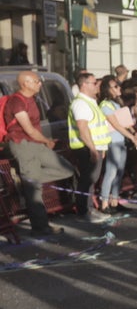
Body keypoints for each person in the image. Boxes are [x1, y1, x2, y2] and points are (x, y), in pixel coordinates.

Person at [2, 70, 76, 236]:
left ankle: (26, 180)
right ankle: (41, 227)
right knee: (34, 191)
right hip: (24, 145)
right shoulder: (17, 101)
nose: (40, 84)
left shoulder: (31, 99)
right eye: (36, 81)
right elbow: (28, 128)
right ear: (25, 83)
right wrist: (46, 141)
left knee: (66, 169)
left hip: (35, 144)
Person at [69, 71, 113, 224]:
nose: (97, 86)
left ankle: (89, 209)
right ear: (84, 85)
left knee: (91, 180)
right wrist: (94, 149)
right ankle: (84, 211)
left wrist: (101, 148)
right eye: (94, 83)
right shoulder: (80, 103)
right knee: (87, 180)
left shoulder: (91, 101)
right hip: (86, 148)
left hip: (95, 147)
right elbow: (83, 129)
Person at [97, 75, 137, 215]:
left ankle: (114, 201)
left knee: (119, 173)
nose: (118, 88)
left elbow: (125, 122)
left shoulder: (116, 103)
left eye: (118, 85)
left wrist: (135, 133)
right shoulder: (105, 105)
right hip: (112, 142)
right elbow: (116, 125)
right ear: (107, 89)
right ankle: (104, 203)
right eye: (115, 86)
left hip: (121, 141)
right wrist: (132, 136)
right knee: (111, 172)